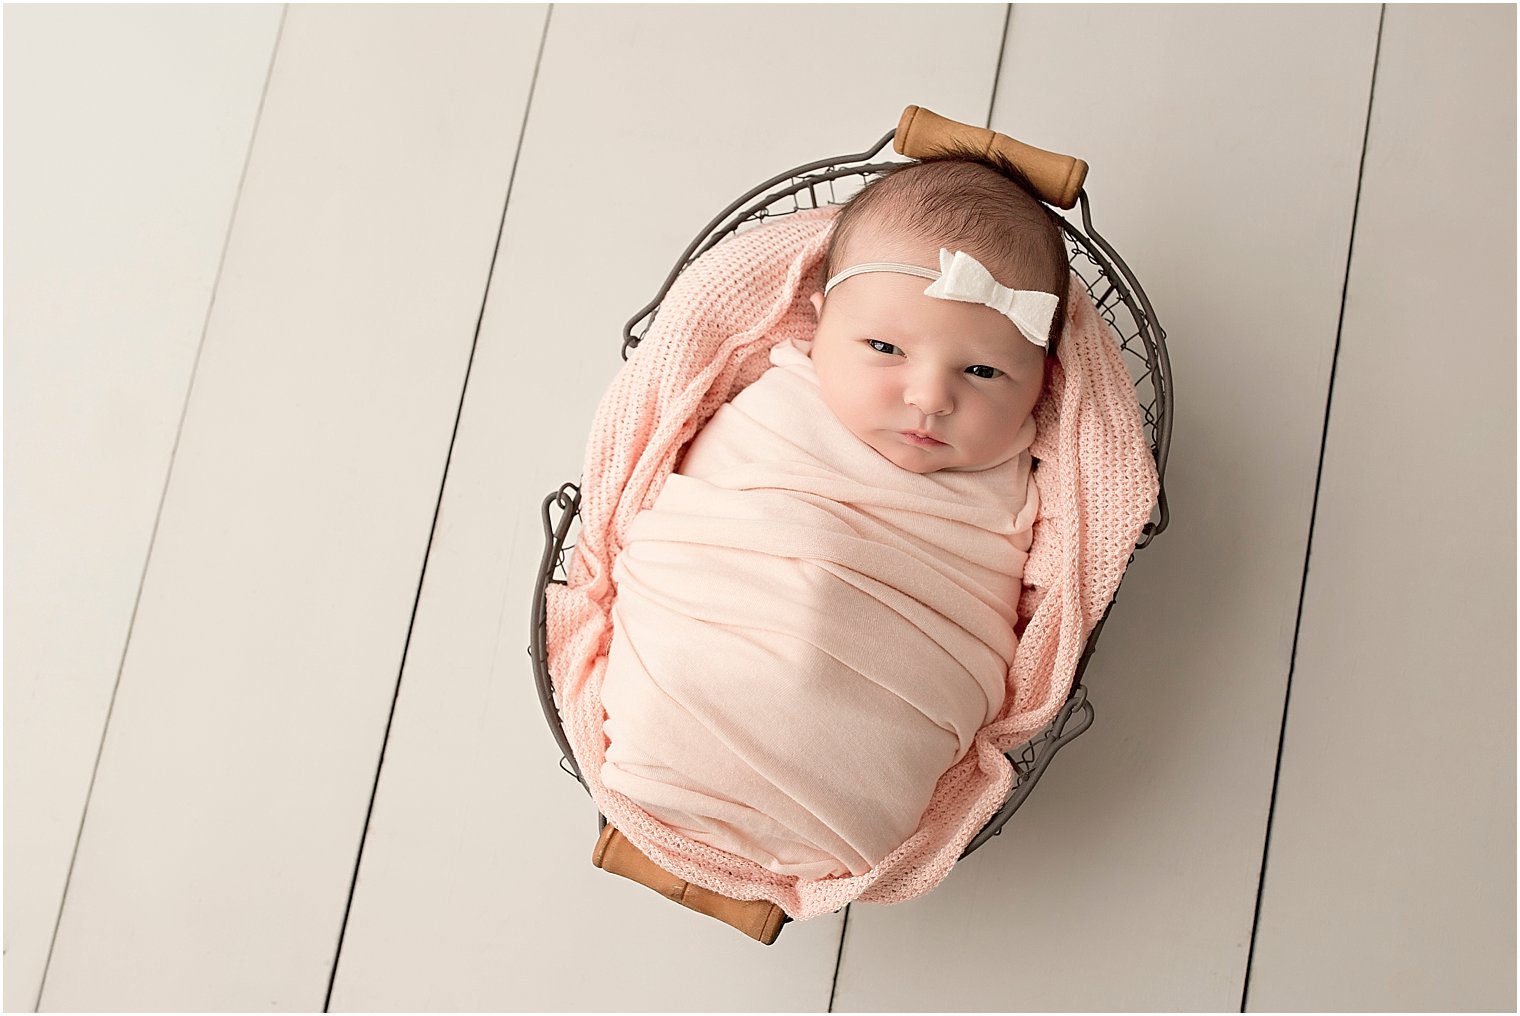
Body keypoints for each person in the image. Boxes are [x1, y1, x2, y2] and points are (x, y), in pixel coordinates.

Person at [597, 154, 1071, 881]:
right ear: (818, 324)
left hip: (875, 755)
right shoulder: (778, 398)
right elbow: (688, 506)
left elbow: (1040, 600)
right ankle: (680, 746)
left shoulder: (1022, 476)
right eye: (884, 348)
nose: (929, 397)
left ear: (1043, 380)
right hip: (699, 652)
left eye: (982, 372)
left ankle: (837, 789)